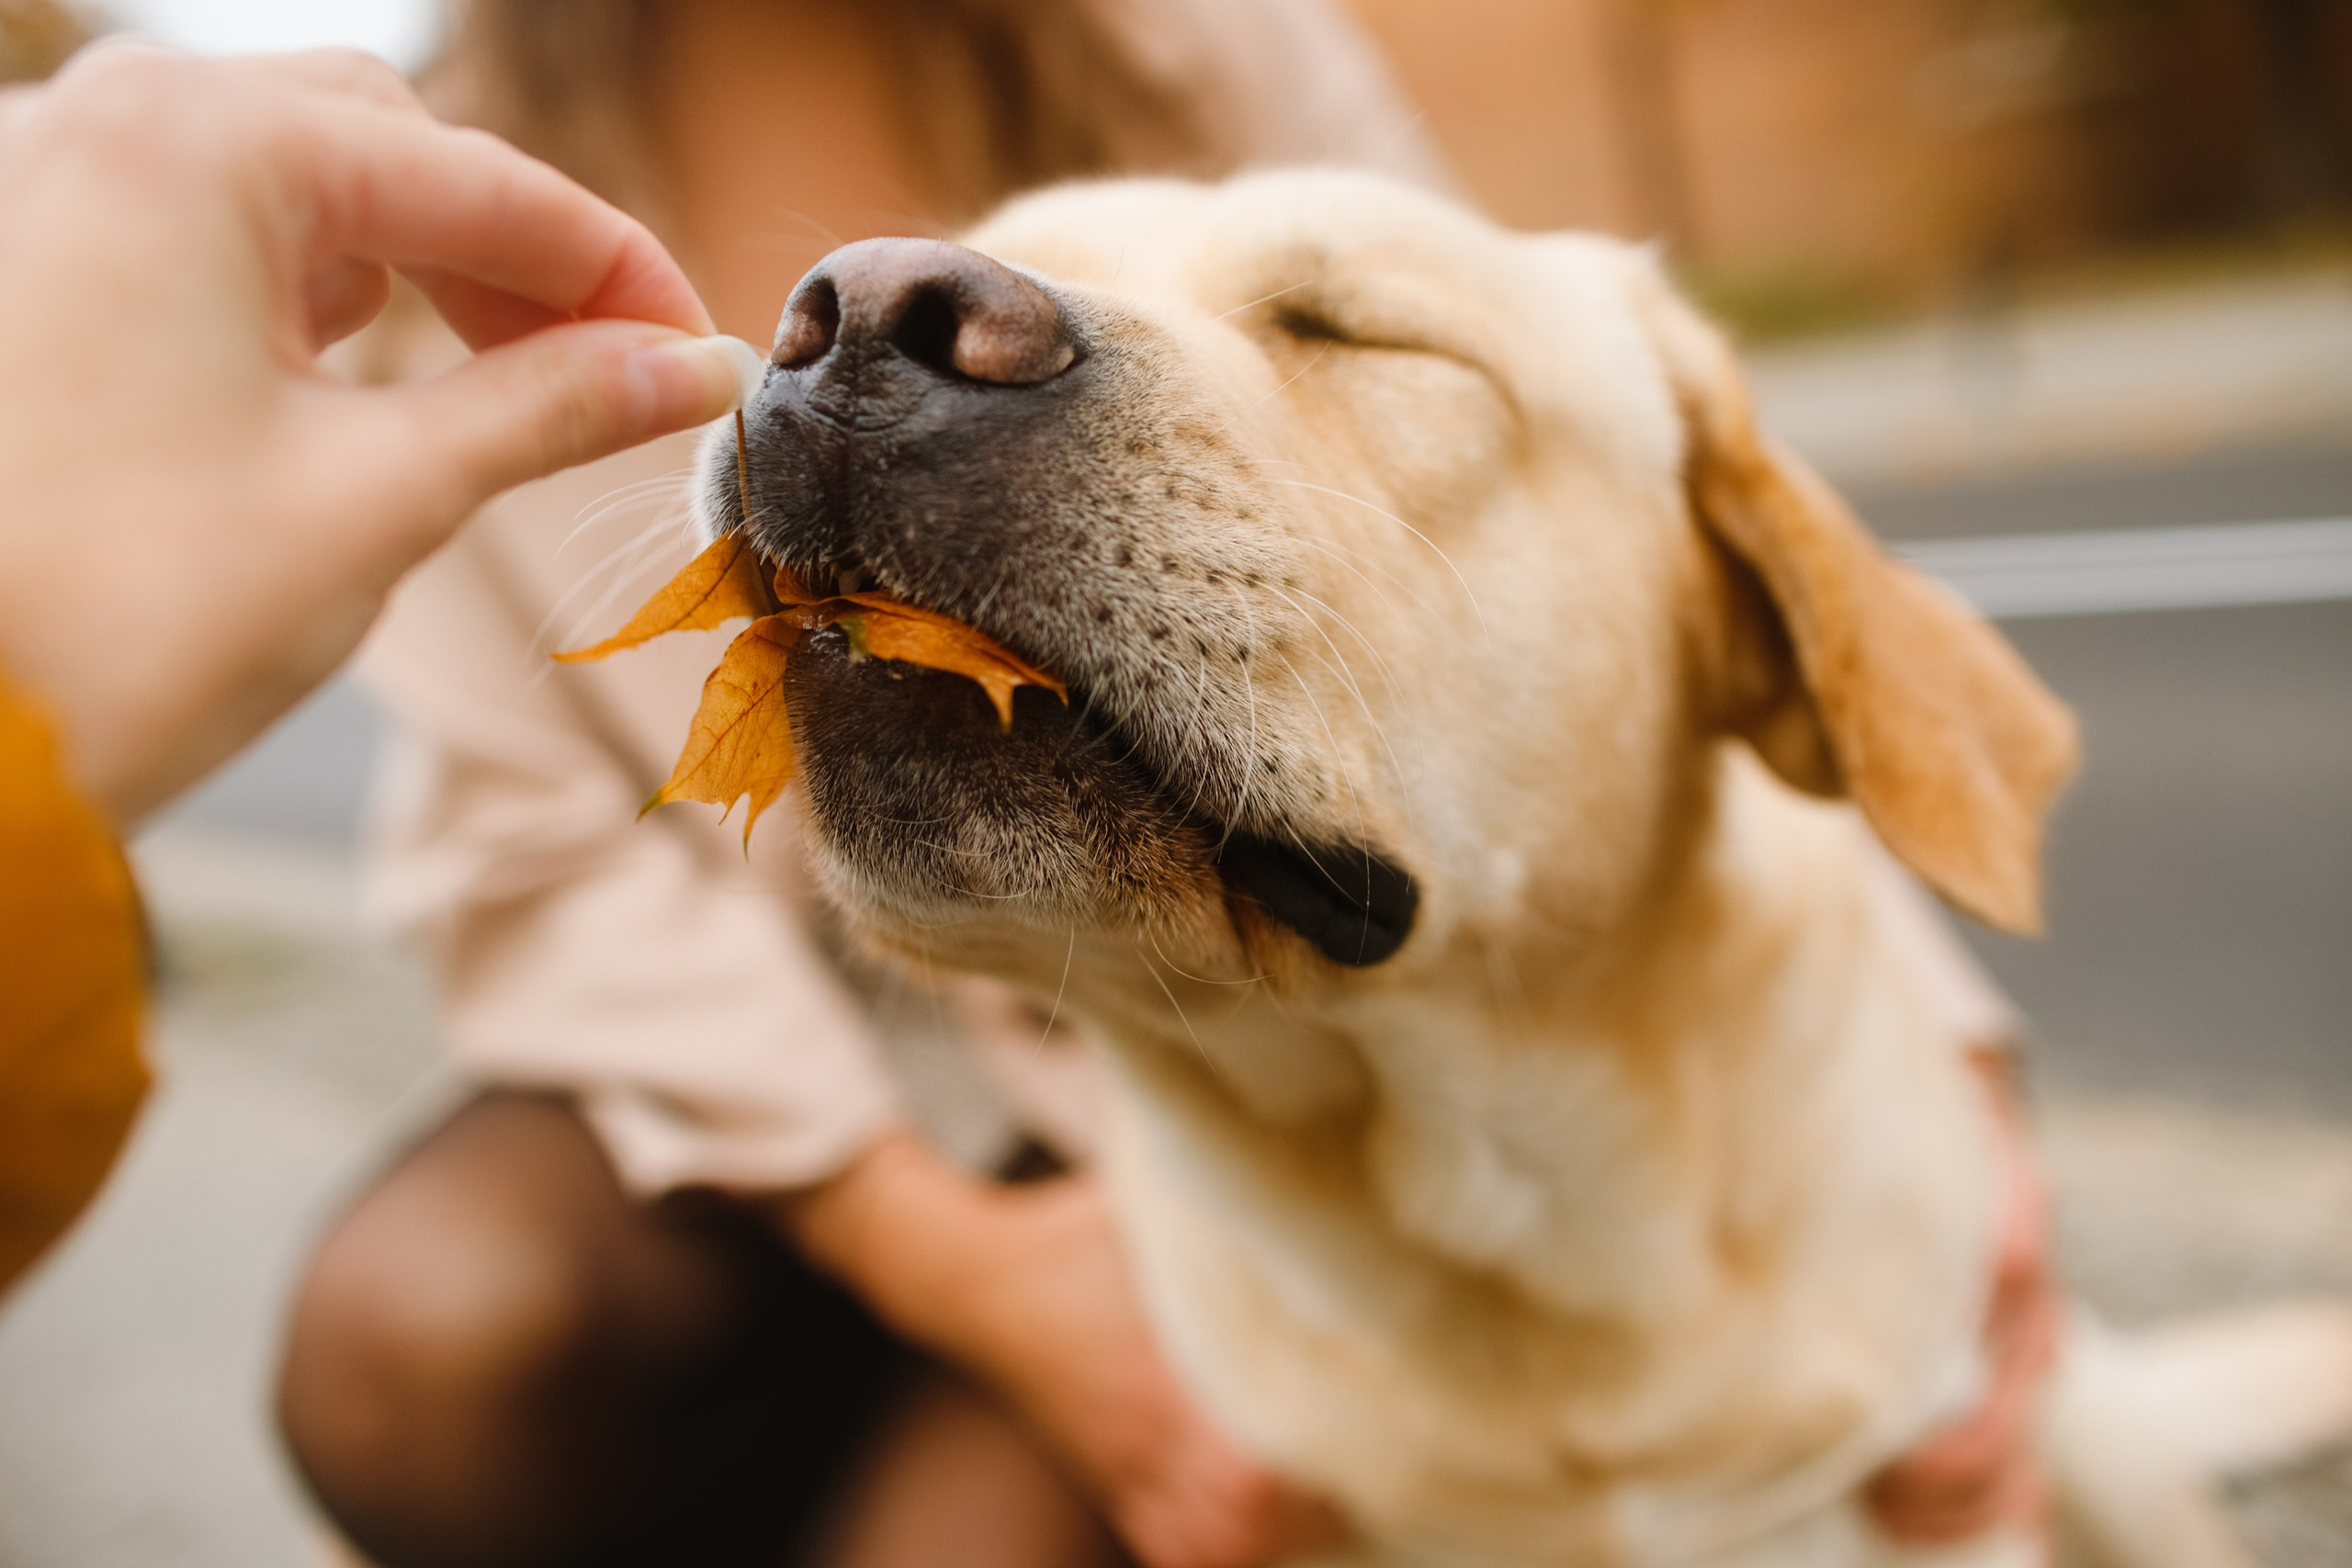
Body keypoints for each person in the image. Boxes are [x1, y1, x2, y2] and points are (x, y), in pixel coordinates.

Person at [272, 5, 1446, 1568]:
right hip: (743, 1067)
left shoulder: (1205, 48)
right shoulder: (419, 197)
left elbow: (1535, 489)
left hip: (1171, 988)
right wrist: (942, 1257)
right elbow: (533, 857)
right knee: (417, 1342)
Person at [0, 41, 755, 1294]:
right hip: (735, 1034)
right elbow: (524, 841)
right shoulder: (425, 184)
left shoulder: (1179, 45)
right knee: (428, 1312)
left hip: (1115, 1018)